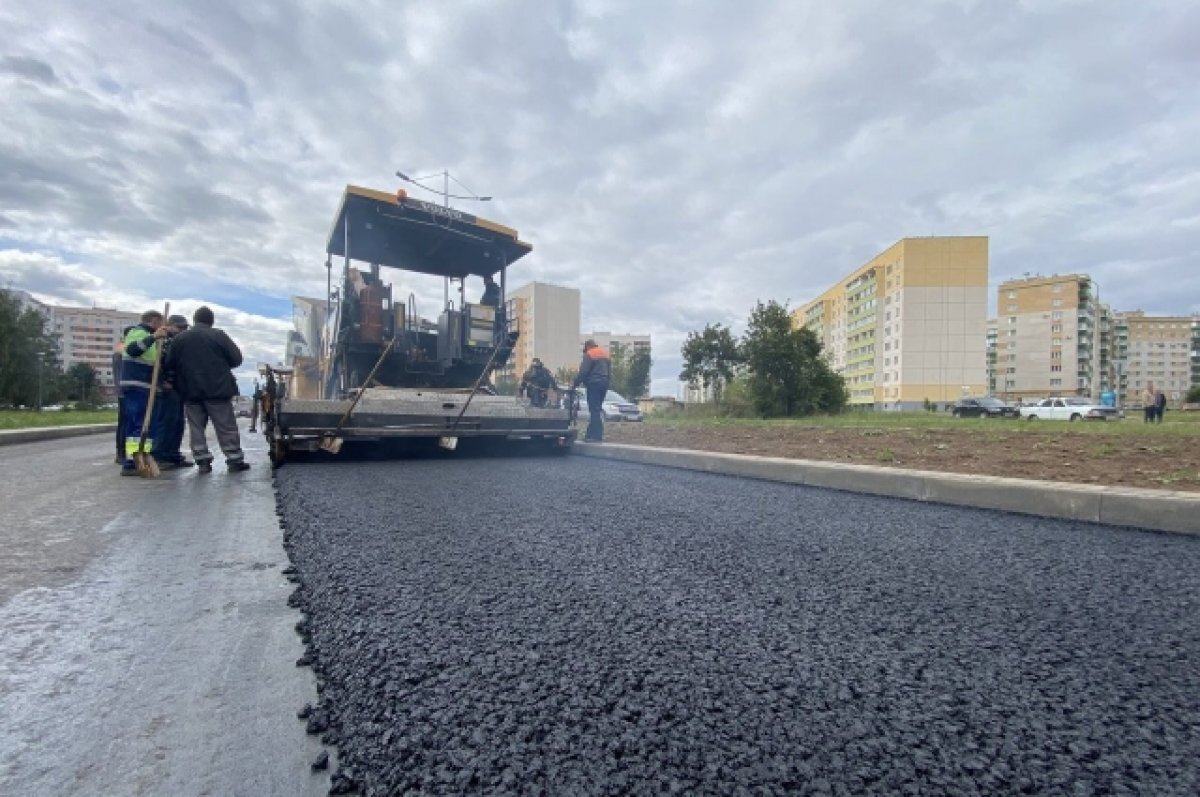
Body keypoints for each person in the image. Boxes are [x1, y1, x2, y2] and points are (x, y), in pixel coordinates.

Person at [166, 306, 249, 474]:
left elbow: (170, 363)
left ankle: (202, 460)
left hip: (190, 390)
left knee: (196, 426)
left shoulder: (180, 339)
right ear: (211, 321)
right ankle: (234, 459)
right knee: (225, 425)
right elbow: (236, 359)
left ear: (195, 320)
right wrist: (220, 365)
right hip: (217, 389)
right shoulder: (218, 335)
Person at [118, 310, 170, 476]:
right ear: (154, 321)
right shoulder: (138, 332)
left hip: (146, 387)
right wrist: (153, 337)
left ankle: (142, 458)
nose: (164, 327)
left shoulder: (153, 338)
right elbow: (134, 349)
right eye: (162, 323)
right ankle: (132, 462)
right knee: (138, 425)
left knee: (146, 426)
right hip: (136, 386)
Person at [152, 315, 194, 470]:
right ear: (170, 326)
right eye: (180, 327)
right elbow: (162, 363)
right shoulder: (163, 341)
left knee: (177, 423)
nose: (183, 331)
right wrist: (164, 381)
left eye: (184, 328)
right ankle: (160, 455)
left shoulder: (177, 341)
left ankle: (173, 454)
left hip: (178, 387)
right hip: (166, 388)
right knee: (167, 422)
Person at [572, 339, 611, 443]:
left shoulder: (590, 354)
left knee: (594, 410)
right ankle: (590, 434)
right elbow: (609, 371)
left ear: (588, 347)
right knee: (597, 409)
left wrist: (575, 384)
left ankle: (595, 436)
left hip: (594, 384)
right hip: (604, 383)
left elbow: (583, 372)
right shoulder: (605, 354)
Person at [112, 339, 128, 465]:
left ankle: (121, 453)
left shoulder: (119, 349)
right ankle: (121, 453)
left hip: (123, 391)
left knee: (123, 423)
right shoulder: (123, 349)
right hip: (126, 391)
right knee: (125, 424)